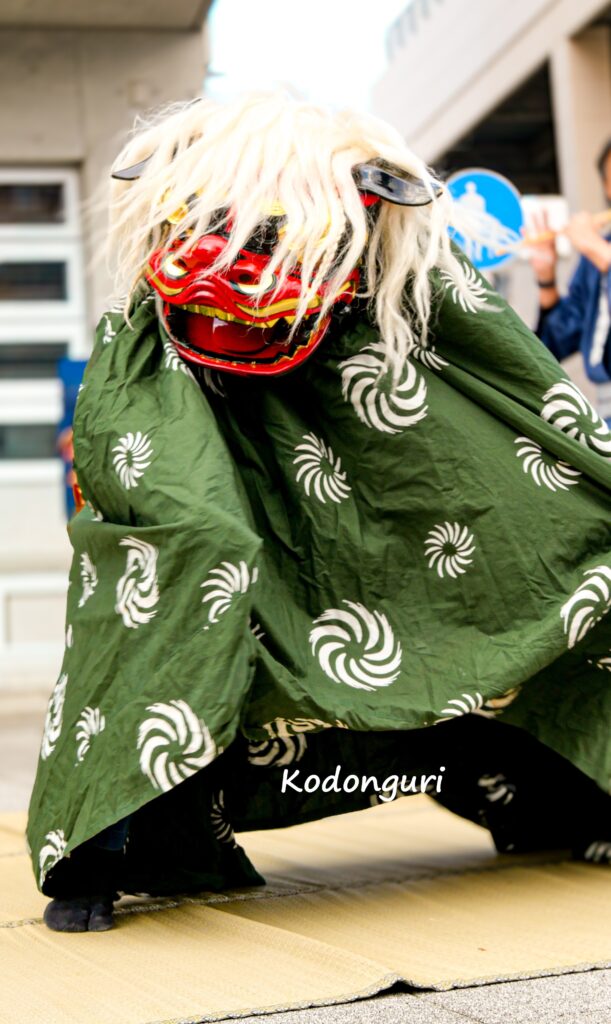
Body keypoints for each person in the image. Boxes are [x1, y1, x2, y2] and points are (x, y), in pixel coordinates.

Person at [27, 94, 611, 933]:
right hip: (201, 414)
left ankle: (565, 793)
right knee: (189, 554)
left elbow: (504, 369)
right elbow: (141, 440)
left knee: (533, 537)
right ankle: (105, 844)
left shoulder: (396, 267)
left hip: (348, 414)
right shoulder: (156, 307)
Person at [529, 139, 611, 423]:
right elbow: (553, 347)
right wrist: (546, 279)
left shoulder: (599, 252)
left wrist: (599, 251)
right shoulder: (595, 258)